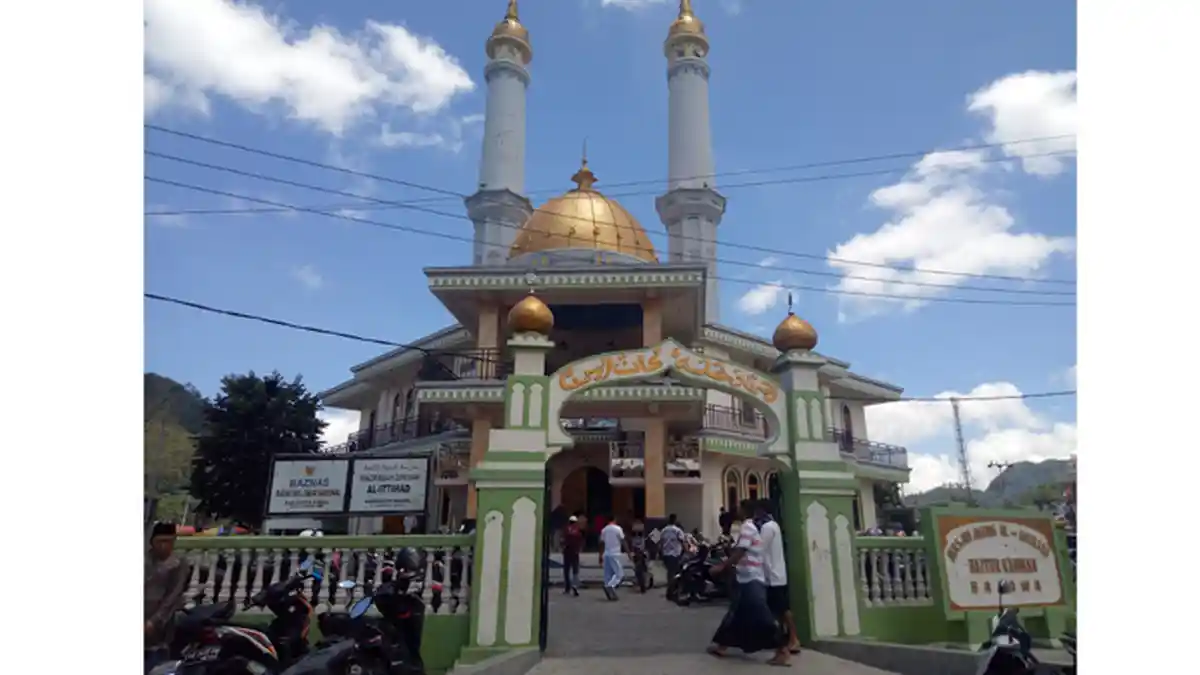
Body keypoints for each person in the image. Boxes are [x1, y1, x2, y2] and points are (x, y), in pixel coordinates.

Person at [706, 501, 789, 666]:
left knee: (762, 617)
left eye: (739, 508)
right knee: (736, 613)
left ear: (745, 511)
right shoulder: (749, 527)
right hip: (746, 577)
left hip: (752, 578)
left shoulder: (747, 527)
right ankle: (722, 646)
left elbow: (740, 551)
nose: (736, 510)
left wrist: (722, 567)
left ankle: (782, 650)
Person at [145, 522, 191, 674]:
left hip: (161, 624)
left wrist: (154, 621)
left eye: (168, 541)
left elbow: (173, 596)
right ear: (152, 541)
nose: (164, 546)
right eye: (160, 541)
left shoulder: (178, 564)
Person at [758, 500, 801, 656]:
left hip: (772, 575)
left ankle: (793, 638)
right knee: (781, 609)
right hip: (778, 574)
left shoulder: (767, 528)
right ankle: (787, 638)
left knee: (781, 609)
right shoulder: (774, 525)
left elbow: (759, 550)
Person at [598, 515, 626, 601]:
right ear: (615, 519)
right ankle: (610, 586)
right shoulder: (618, 529)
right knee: (619, 574)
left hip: (606, 554)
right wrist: (628, 553)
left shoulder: (604, 530)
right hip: (615, 554)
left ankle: (609, 589)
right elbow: (623, 541)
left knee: (608, 575)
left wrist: (600, 556)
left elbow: (601, 544)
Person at [659, 514, 686, 589]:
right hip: (675, 553)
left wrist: (660, 552)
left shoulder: (663, 530)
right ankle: (672, 585)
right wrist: (686, 550)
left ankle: (670, 584)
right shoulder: (678, 530)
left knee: (670, 570)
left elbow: (659, 542)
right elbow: (682, 541)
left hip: (665, 553)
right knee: (674, 570)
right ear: (675, 520)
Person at [561, 515, 583, 596]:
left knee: (566, 570)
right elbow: (580, 541)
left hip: (567, 552)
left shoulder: (566, 530)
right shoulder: (578, 531)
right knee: (575, 570)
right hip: (575, 552)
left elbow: (563, 540)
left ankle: (567, 587)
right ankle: (575, 585)